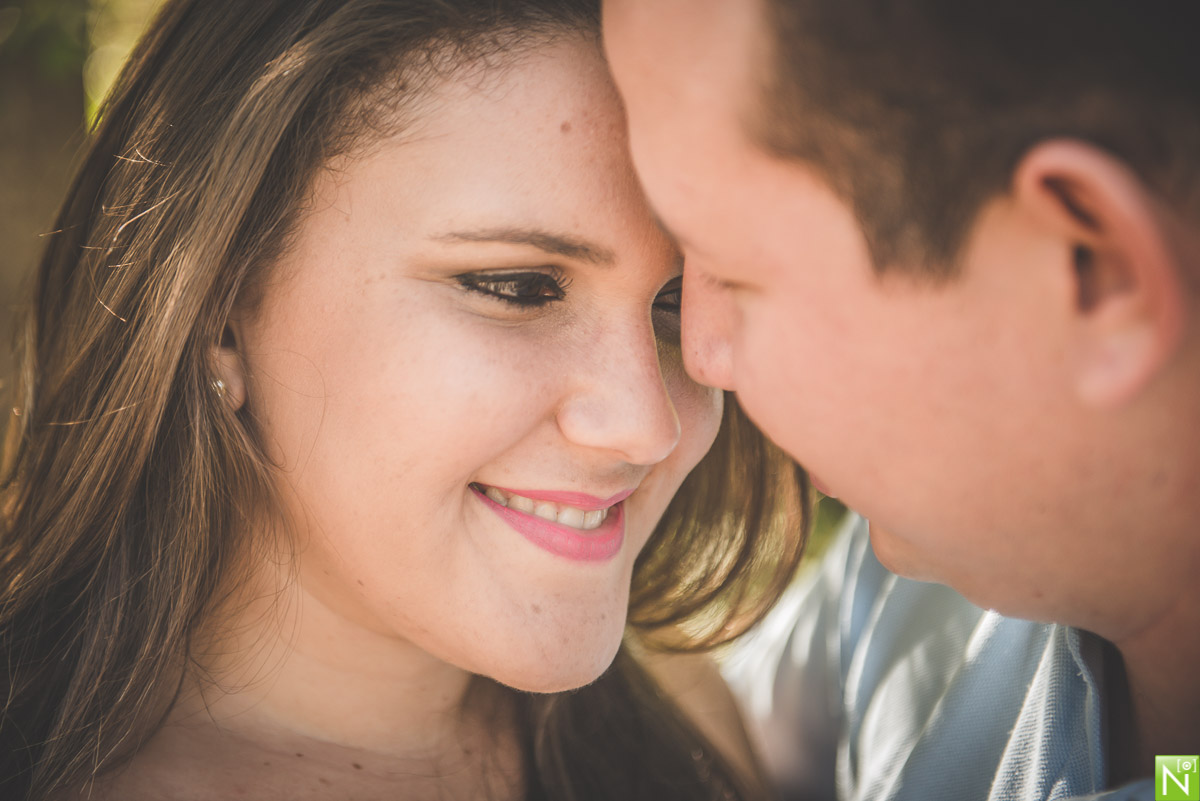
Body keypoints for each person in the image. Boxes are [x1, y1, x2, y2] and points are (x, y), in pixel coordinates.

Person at [0, 2, 810, 799]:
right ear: (218, 307)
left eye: (674, 305)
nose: (647, 427)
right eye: (517, 287)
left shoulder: (696, 723)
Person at [602, 1, 1200, 799]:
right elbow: (723, 761)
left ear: (1094, 273)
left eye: (732, 271)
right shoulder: (939, 570)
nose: (701, 356)